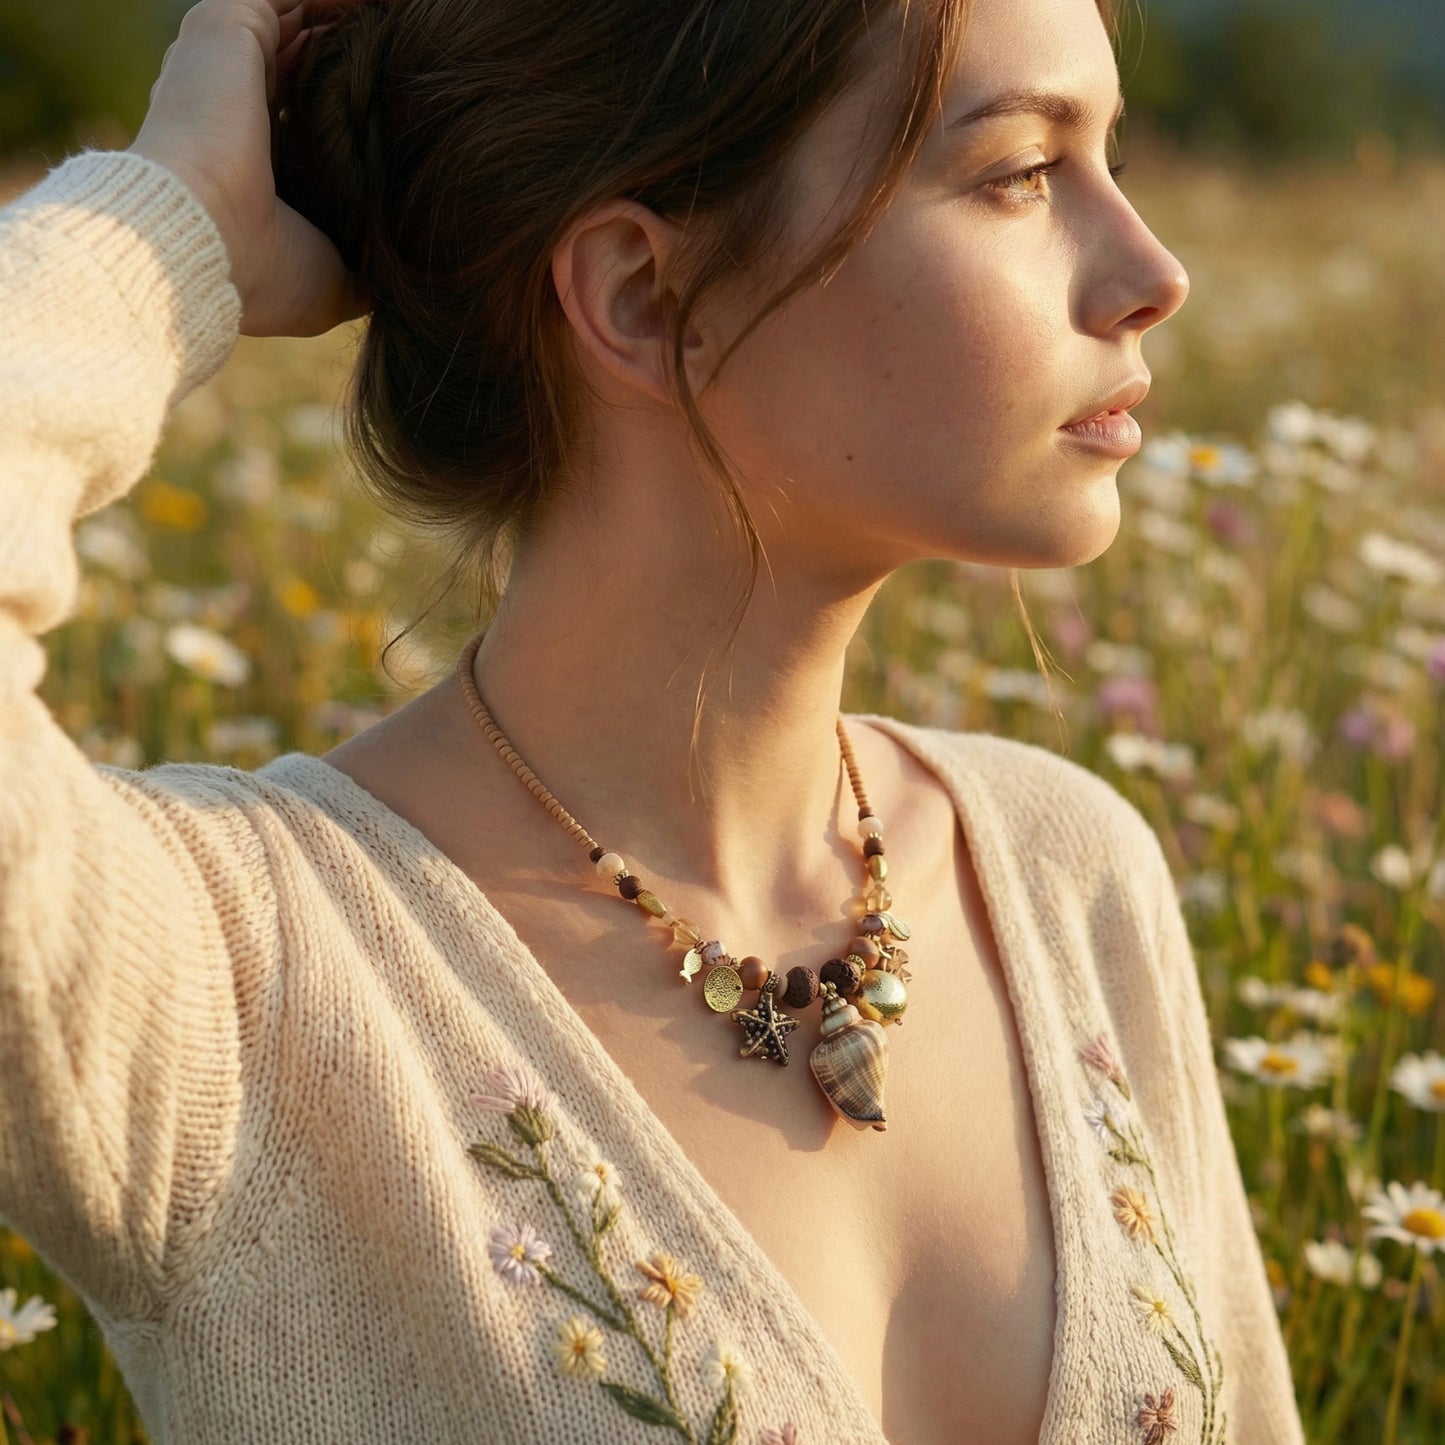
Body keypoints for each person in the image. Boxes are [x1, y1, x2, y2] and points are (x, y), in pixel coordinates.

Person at [0, 0, 1306, 1440]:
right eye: (1016, 173)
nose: (1151, 271)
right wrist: (166, 221)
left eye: (1108, 155)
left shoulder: (1067, 876)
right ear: (639, 294)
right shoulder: (223, 997)